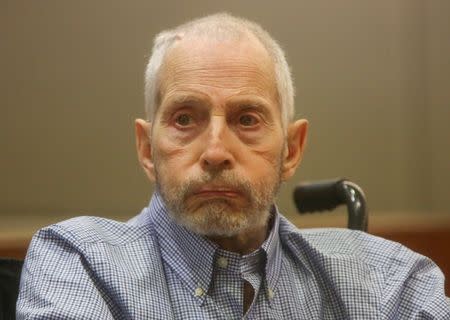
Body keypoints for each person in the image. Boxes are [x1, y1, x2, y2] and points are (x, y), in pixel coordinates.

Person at [17, 13, 449, 319]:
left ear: (292, 149)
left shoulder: (391, 282)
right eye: (185, 119)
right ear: (148, 149)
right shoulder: (79, 264)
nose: (216, 151)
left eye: (247, 119)